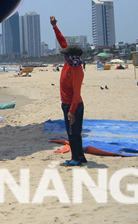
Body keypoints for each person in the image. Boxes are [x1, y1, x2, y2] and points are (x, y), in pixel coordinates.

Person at [51, 15, 87, 166]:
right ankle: (80, 157)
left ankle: (76, 159)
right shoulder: (70, 63)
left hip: (73, 106)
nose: (64, 55)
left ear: (72, 56)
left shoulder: (76, 70)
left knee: (73, 133)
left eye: (66, 54)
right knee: (74, 133)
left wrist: (71, 111)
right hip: (67, 104)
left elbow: (77, 93)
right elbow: (62, 41)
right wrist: (54, 26)